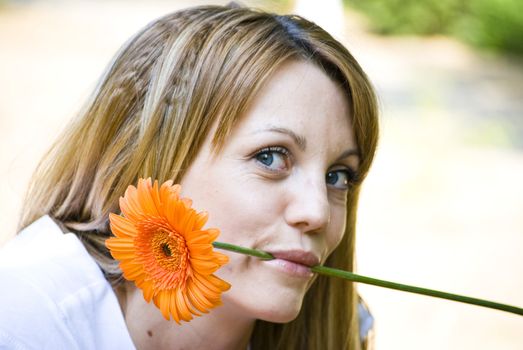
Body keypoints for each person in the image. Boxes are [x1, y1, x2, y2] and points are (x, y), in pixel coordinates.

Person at [0, 3, 378, 350]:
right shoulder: (22, 320)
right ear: (153, 160)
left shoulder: (345, 332)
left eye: (338, 177)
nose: (318, 213)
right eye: (270, 157)